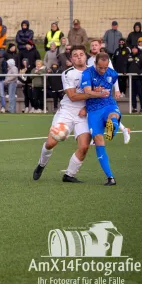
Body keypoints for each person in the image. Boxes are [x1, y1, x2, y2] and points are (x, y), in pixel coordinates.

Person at [33, 45, 106, 183]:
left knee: (84, 147)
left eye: (81, 54)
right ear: (71, 59)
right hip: (67, 111)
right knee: (51, 143)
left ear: (86, 57)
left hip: (84, 114)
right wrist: (95, 94)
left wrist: (89, 106)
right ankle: (41, 164)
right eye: (75, 55)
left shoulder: (95, 73)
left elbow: (102, 94)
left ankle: (69, 175)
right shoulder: (68, 73)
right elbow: (72, 96)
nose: (79, 57)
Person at [81, 53, 123, 185]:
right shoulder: (87, 73)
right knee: (98, 140)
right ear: (95, 64)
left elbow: (113, 85)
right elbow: (87, 91)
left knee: (113, 115)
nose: (103, 70)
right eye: (100, 68)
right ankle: (110, 177)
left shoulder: (113, 73)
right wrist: (98, 92)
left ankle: (112, 125)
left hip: (108, 104)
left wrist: (110, 92)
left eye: (105, 67)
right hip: (93, 110)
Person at [127, 46, 142, 113]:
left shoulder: (141, 56)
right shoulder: (129, 56)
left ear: (137, 49)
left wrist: (141, 71)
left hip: (139, 78)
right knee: (133, 94)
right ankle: (134, 108)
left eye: (135, 48)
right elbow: (126, 65)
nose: (133, 49)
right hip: (131, 78)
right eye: (132, 48)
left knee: (140, 93)